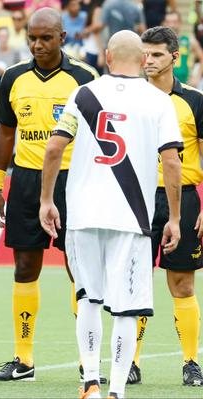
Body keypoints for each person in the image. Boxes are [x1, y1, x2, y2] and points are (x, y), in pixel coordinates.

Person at [39, 30, 183, 399]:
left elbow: (54, 148)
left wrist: (46, 200)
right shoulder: (158, 101)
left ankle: (90, 382)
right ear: (142, 59)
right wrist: (175, 217)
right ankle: (116, 390)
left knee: (88, 298)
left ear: (106, 55)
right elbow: (171, 161)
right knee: (126, 308)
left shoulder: (83, 93)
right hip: (131, 219)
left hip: (84, 215)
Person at [0, 7, 99, 382]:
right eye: (32, 38)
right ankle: (23, 359)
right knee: (24, 266)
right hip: (27, 182)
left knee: (78, 268)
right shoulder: (14, 77)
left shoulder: (85, 77)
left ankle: (88, 358)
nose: (37, 44)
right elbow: (5, 133)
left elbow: (102, 137)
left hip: (75, 181)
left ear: (62, 38)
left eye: (45, 38)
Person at [129, 25, 203, 387]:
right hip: (138, 198)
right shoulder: (129, 99)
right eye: (145, 53)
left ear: (175, 57)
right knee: (136, 282)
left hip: (184, 198)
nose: (149, 60)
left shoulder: (194, 100)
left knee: (182, 283)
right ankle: (131, 361)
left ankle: (191, 362)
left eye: (157, 54)